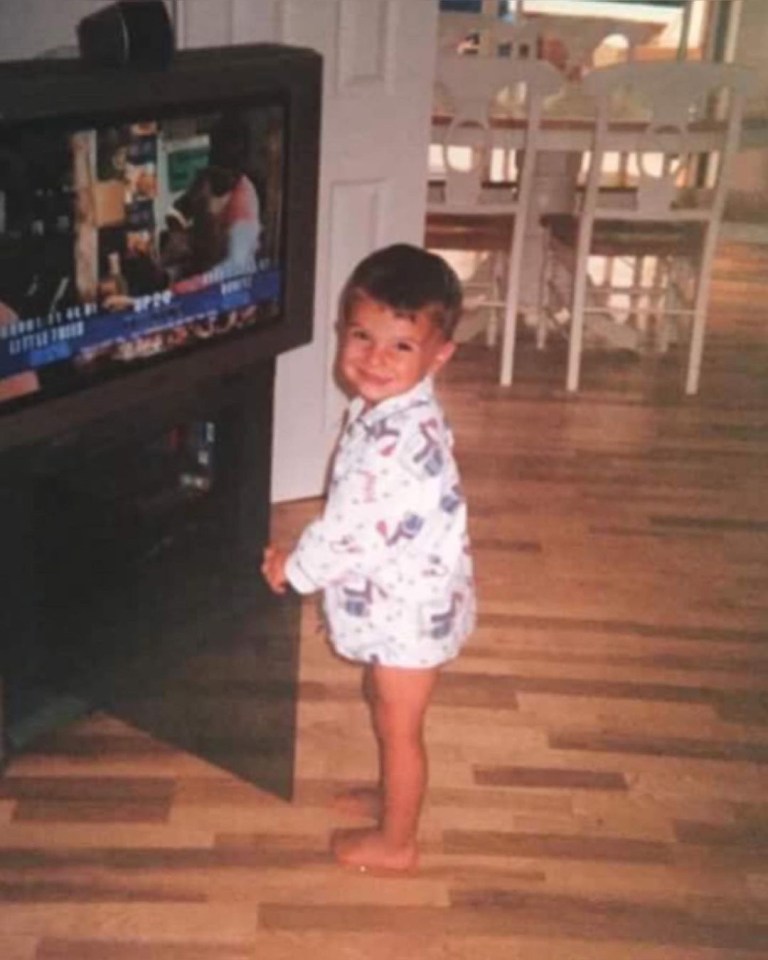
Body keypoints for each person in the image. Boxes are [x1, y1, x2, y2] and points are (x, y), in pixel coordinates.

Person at [261, 243, 475, 872]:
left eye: (401, 346)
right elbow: (361, 517)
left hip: (409, 614)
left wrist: (293, 567)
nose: (375, 358)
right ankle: (393, 800)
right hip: (408, 593)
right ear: (342, 331)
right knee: (386, 711)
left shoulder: (394, 443)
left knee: (399, 725)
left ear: (439, 356)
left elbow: (350, 527)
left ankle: (397, 843)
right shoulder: (393, 409)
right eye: (362, 335)